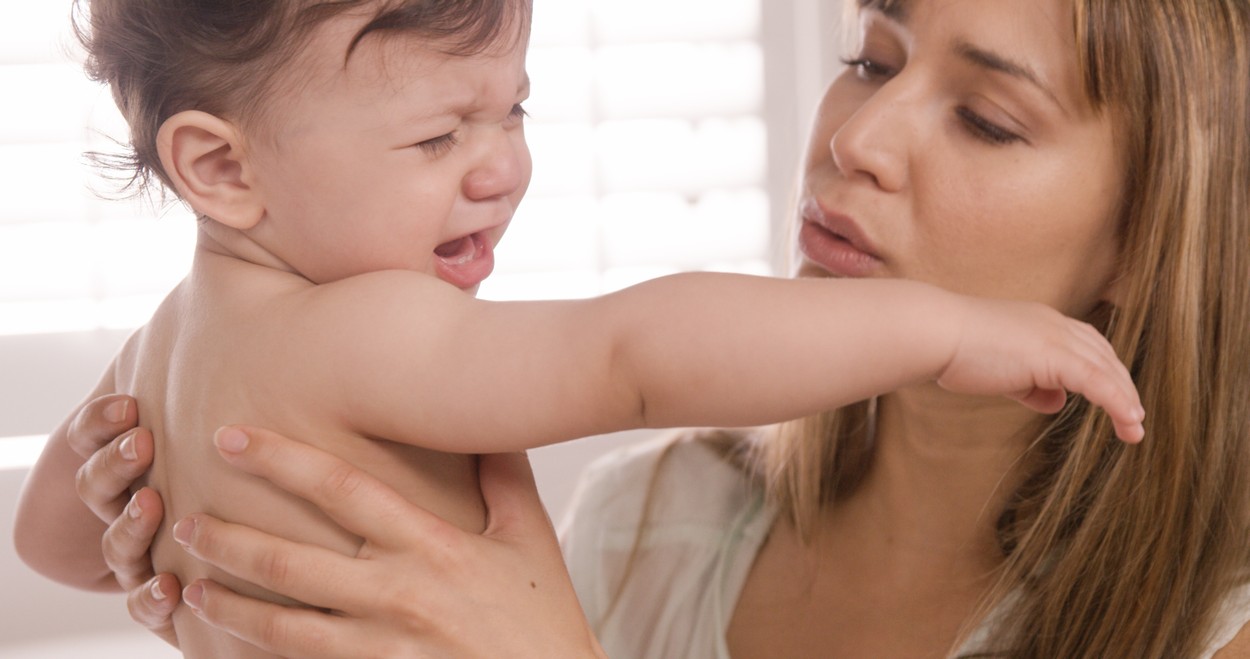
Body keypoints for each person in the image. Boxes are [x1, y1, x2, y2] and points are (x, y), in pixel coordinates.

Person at [11, 0, 1152, 657]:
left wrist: (153, 532)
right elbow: (634, 354)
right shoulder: (363, 332)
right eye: (435, 137)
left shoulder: (157, 348)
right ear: (220, 166)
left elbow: (55, 543)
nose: (504, 166)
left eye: (511, 110)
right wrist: (946, 332)